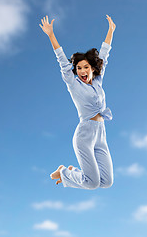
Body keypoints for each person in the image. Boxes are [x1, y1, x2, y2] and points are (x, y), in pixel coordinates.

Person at [39, 14, 116, 189]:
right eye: (79, 68)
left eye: (85, 67)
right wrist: (51, 35)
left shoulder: (97, 81)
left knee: (107, 182)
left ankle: (72, 174)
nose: (82, 71)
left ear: (92, 68)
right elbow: (62, 61)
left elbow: (104, 54)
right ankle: (65, 172)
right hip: (85, 135)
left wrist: (111, 31)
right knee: (92, 183)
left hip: (101, 134)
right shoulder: (73, 84)